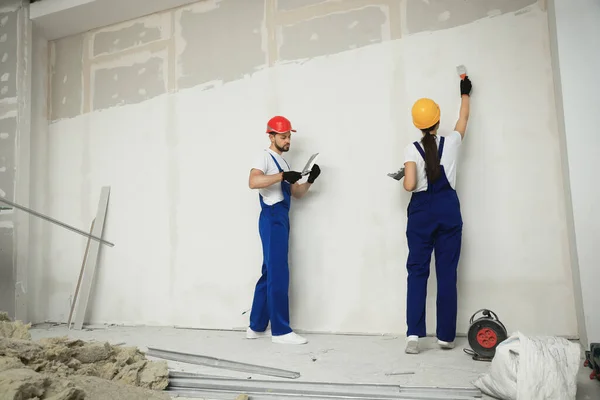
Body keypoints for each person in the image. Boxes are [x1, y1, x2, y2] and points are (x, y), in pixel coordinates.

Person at [402, 76, 472, 354]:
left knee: (417, 272)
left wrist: (405, 175)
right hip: (448, 211)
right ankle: (445, 337)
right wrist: (465, 93)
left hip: (421, 214)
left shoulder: (411, 149)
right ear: (437, 120)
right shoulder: (452, 143)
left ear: (416, 124)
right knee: (446, 273)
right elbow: (463, 120)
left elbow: (409, 185)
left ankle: (414, 336)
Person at [246, 115, 321, 345]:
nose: (288, 140)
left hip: (281, 217)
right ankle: (281, 331)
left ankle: (256, 327)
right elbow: (253, 181)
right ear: (271, 136)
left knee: (270, 271)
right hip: (271, 217)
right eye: (283, 136)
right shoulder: (264, 156)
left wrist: (310, 180)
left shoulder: (283, 162)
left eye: (289, 136)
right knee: (279, 272)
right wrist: (281, 176)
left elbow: (296, 193)